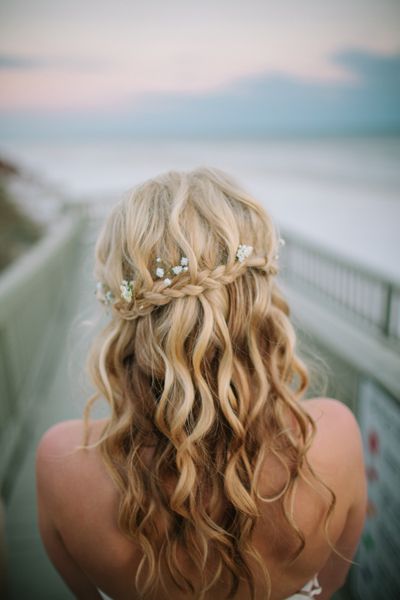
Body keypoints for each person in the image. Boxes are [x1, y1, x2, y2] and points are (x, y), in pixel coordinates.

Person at [36, 167, 367, 600]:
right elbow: (333, 582)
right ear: (261, 296)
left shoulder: (61, 465)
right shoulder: (336, 437)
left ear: (120, 303)